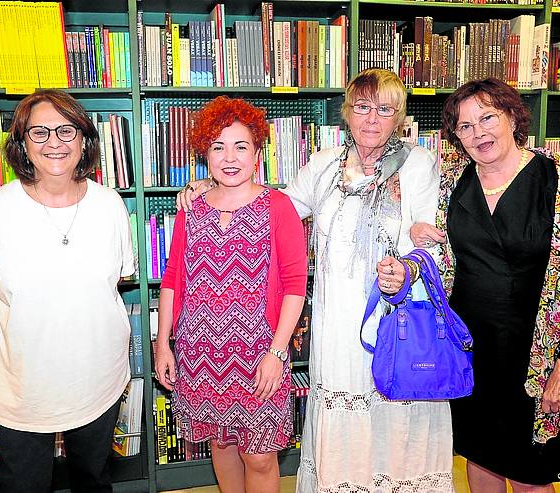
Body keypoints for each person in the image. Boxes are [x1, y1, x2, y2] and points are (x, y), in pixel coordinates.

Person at [178, 70, 454, 492]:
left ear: (399, 116)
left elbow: (427, 239)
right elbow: (270, 205)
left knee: (394, 421)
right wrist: (210, 185)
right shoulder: (324, 164)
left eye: (385, 109)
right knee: (347, 432)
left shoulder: (418, 164)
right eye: (363, 107)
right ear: (347, 113)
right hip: (336, 321)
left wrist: (412, 259)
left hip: (392, 316)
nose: (373, 119)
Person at [0, 89, 135, 493]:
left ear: (84, 139)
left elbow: (115, 279)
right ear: (22, 144)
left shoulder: (110, 205)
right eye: (39, 132)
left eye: (66, 130)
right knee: (23, 485)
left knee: (93, 481)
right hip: (23, 387)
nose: (55, 142)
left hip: (98, 380)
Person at [411, 78, 560, 492]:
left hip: (535, 355)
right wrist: (421, 235)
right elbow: (438, 262)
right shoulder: (451, 185)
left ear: (512, 117)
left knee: (532, 474)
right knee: (479, 459)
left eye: (488, 118)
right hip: (468, 350)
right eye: (465, 126)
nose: (478, 133)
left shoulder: (553, 180)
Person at [154, 96, 307, 492]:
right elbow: (172, 277)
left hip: (259, 355)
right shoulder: (192, 207)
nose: (230, 157)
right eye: (218, 147)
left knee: (258, 456)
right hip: (200, 353)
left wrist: (277, 352)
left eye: (241, 146)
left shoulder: (278, 206)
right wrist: (162, 344)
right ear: (205, 154)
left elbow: (295, 285)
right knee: (221, 446)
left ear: (258, 153)